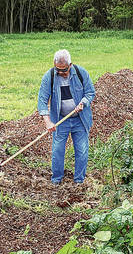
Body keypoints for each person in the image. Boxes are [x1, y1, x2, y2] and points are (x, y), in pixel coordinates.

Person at [37, 49, 96, 185]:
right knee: (57, 150)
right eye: (58, 70)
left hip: (80, 120)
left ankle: (79, 181)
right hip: (60, 120)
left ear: (70, 65)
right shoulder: (50, 76)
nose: (61, 73)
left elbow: (90, 92)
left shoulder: (81, 73)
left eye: (64, 70)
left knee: (81, 150)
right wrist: (48, 122)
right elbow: (42, 100)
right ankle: (56, 180)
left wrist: (83, 103)